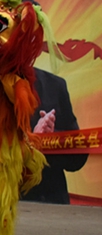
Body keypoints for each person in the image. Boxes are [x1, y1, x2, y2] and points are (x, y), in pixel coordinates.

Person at [22, 68, 88, 204]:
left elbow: (77, 157)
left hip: (53, 203)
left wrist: (52, 137)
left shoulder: (55, 85)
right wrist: (33, 140)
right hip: (9, 204)